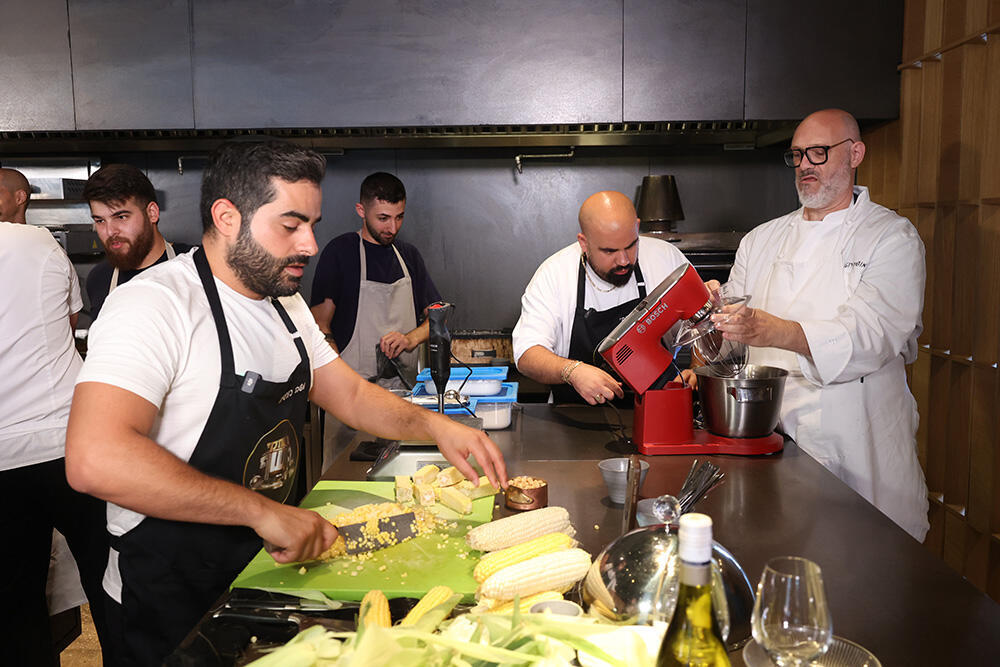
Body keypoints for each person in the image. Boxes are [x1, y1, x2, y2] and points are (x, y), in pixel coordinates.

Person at [65, 141, 506, 666]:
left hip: (267, 569)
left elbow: (348, 393)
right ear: (227, 217)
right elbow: (95, 458)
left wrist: (433, 426)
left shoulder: (285, 302)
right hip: (171, 591)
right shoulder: (154, 305)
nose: (311, 244)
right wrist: (261, 511)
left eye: (312, 224)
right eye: (291, 225)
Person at [716, 108, 929, 541]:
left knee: (860, 565)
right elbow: (730, 346)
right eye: (797, 155)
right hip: (770, 431)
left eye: (818, 152)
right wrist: (712, 315)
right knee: (776, 554)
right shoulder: (761, 239)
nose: (805, 166)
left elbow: (874, 333)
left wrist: (778, 331)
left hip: (854, 433)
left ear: (855, 153)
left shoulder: (891, 237)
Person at [0, 211, 110, 665]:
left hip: (4, 455)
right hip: (69, 439)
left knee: (14, 597)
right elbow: (67, 324)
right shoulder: (40, 243)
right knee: (108, 578)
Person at [512, 190, 689, 405]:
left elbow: (702, 326)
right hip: (575, 417)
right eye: (609, 251)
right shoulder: (555, 273)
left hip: (659, 414)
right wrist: (572, 371)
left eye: (632, 245)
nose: (624, 260)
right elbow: (527, 355)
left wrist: (697, 371)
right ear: (584, 243)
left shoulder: (666, 258)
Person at [310, 172, 441, 388]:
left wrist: (410, 339)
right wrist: (340, 380)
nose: (393, 228)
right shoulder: (340, 252)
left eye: (399, 217)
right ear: (361, 210)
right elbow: (319, 325)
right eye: (383, 218)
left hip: (404, 390)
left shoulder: (408, 255)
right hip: (351, 390)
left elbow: (437, 318)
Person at [82, 163, 194, 319]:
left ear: (152, 213)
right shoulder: (99, 279)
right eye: (100, 221)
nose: (110, 231)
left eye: (121, 217)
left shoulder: (197, 266)